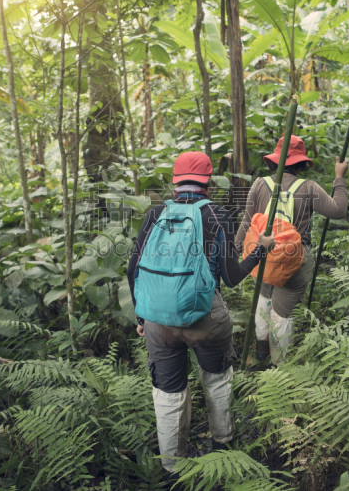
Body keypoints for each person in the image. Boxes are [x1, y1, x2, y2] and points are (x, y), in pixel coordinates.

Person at [127, 151, 275, 477]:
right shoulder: (218, 215)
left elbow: (133, 269)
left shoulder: (155, 213)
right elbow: (232, 276)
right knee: (217, 378)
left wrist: (142, 318)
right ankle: (223, 446)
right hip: (205, 317)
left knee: (168, 392)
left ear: (175, 181)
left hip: (157, 320)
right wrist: (260, 249)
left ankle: (172, 469)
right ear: (208, 181)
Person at [234, 135, 349, 365]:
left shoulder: (259, 184)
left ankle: (260, 354)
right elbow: (339, 210)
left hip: (264, 255)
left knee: (263, 300)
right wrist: (339, 178)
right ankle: (280, 369)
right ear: (301, 163)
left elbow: (246, 224)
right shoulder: (309, 188)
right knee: (282, 314)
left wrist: (236, 253)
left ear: (274, 161)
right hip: (294, 260)